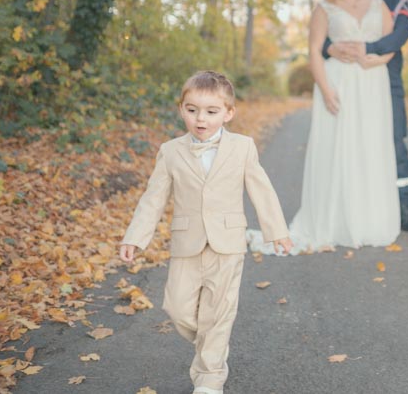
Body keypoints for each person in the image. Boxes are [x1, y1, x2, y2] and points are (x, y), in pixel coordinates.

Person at [119, 71, 292, 394]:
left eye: (211, 112)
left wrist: (276, 231)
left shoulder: (243, 147)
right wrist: (135, 236)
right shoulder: (170, 151)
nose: (201, 119)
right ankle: (213, 343)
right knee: (178, 307)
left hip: (228, 242)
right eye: (192, 110)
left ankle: (210, 378)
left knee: (220, 309)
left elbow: (261, 190)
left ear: (228, 113)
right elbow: (153, 198)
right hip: (187, 242)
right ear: (181, 109)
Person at [287, 0, 401, 250]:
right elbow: (314, 51)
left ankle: (371, 220)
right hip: (339, 84)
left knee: (371, 147)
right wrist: (325, 89)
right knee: (340, 148)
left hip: (373, 84)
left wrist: (377, 62)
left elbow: (392, 44)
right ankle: (337, 220)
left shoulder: (378, 4)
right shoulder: (325, 8)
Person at [327, 0, 408, 232]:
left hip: (387, 82)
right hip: (348, 83)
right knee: (353, 142)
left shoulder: (399, 2)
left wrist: (367, 49)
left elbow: (399, 36)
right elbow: (325, 35)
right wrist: (328, 49)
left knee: (394, 142)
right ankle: (354, 207)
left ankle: (404, 208)